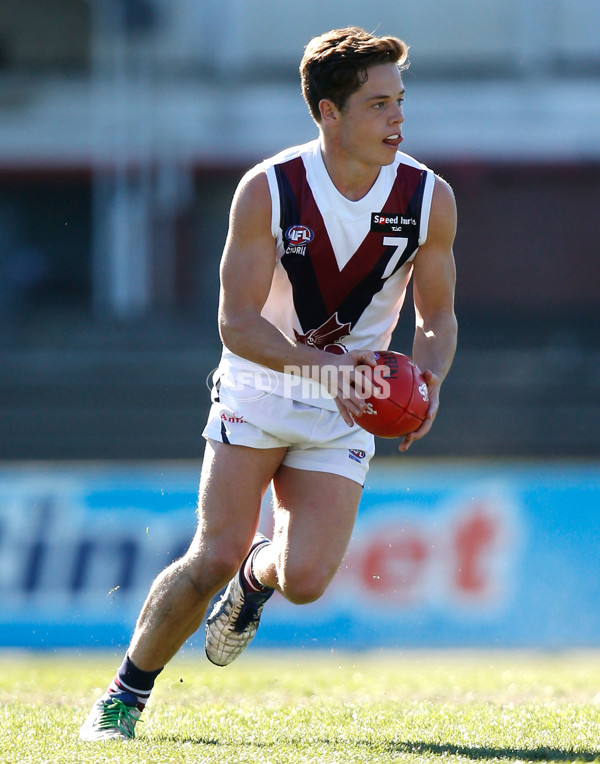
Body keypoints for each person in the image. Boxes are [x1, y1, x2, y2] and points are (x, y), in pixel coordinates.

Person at [80, 26, 457, 741]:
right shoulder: (269, 188)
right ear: (329, 114)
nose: (399, 119)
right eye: (379, 105)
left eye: (400, 101)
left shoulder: (429, 197)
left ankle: (258, 579)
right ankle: (123, 696)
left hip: (349, 403)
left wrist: (429, 378)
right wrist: (330, 369)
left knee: (307, 581)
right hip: (260, 385)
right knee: (211, 553)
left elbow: (438, 315)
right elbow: (236, 326)